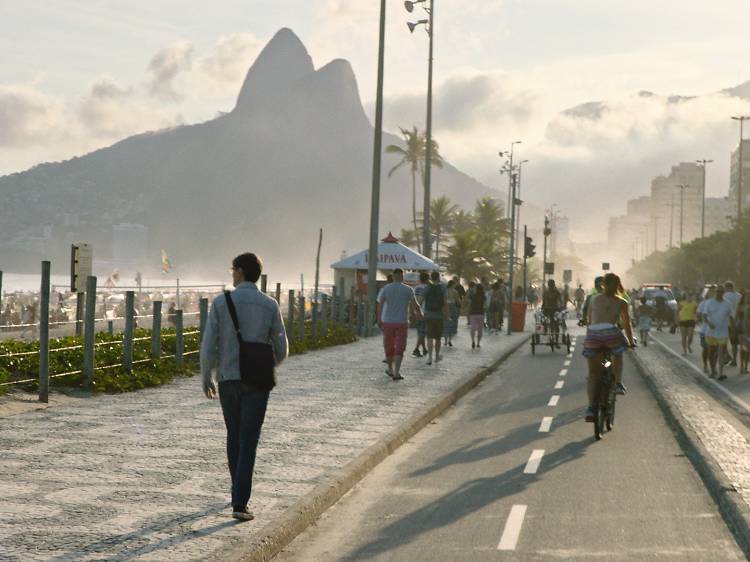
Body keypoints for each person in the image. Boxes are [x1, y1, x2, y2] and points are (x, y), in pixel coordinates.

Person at [200, 252, 288, 522]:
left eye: (233, 270)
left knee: (234, 436)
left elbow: (208, 344)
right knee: (249, 440)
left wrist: (206, 375)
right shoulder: (269, 304)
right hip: (257, 382)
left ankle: (236, 490)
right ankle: (240, 501)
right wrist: (266, 363)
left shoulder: (221, 302)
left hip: (228, 379)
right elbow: (282, 346)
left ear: (239, 272)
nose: (232, 274)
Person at [582, 273, 635, 421]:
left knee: (593, 374)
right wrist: (630, 342)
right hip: (611, 334)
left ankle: (591, 408)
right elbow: (626, 324)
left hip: (593, 335)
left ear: (603, 284)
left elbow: (589, 320)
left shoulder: (593, 299)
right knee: (618, 353)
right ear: (619, 285)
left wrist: (591, 336)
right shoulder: (622, 302)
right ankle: (617, 383)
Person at [377, 268, 423, 380]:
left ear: (393, 276)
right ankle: (397, 372)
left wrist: (378, 319)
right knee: (400, 347)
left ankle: (390, 368)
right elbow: (415, 304)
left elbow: (380, 305)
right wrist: (420, 314)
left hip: (388, 321)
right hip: (402, 321)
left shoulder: (386, 289)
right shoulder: (408, 289)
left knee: (389, 345)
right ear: (402, 276)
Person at [703, 285, 734, 380]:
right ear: (715, 292)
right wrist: (709, 323)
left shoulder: (727, 304)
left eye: (721, 291)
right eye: (717, 291)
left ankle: (720, 373)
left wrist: (733, 329)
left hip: (723, 332)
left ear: (723, 293)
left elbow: (731, 317)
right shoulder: (709, 302)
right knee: (712, 353)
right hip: (711, 332)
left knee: (721, 352)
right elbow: (704, 316)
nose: (719, 293)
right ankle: (713, 370)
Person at [422, 271, 447, 365]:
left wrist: (417, 312)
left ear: (431, 278)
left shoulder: (427, 288)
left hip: (428, 315)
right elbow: (445, 303)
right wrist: (447, 316)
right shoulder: (443, 288)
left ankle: (429, 357)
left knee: (429, 337)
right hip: (439, 316)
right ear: (438, 278)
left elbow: (420, 300)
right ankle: (436, 356)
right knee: (437, 338)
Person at [724, 281, 742, 367]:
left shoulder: (725, 296)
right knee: (734, 343)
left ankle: (728, 356)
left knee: (723, 341)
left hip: (727, 322)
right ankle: (734, 359)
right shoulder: (739, 295)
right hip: (738, 322)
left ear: (727, 288)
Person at [411, 272, 430, 358]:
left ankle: (424, 349)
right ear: (427, 279)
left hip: (416, 311)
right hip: (425, 311)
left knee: (420, 332)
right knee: (423, 332)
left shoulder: (416, 288)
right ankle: (416, 349)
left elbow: (412, 300)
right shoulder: (428, 288)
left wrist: (412, 312)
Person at [696, 289, 714, 373]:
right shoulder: (703, 303)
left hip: (715, 331)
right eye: (711, 292)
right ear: (707, 294)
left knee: (714, 350)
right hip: (704, 330)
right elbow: (698, 314)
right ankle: (705, 365)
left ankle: (713, 367)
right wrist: (700, 319)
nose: (713, 293)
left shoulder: (719, 303)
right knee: (706, 349)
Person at [542, 279, 564, 346]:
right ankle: (556, 341)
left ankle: (545, 329)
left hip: (548, 309)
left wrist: (542, 307)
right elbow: (560, 301)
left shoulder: (545, 292)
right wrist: (562, 306)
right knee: (556, 324)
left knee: (544, 320)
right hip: (555, 309)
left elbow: (544, 301)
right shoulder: (556, 292)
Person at [468, 282, 486, 349]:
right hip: (481, 314)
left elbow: (469, 304)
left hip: (473, 313)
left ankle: (473, 341)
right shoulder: (483, 296)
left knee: (472, 328)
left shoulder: (472, 295)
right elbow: (485, 305)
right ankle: (478, 343)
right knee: (480, 329)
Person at [443, 280, 459, 347]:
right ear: (452, 285)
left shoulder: (444, 291)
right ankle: (450, 340)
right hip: (453, 307)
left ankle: (446, 341)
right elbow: (458, 301)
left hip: (446, 307)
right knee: (452, 324)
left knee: (446, 324)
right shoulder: (455, 291)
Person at [738, 291, 750, 375]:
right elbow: (736, 317)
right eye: (746, 296)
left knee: (748, 350)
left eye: (749, 297)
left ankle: (746, 366)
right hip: (741, 330)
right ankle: (741, 366)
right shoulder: (740, 306)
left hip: (748, 330)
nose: (747, 298)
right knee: (742, 348)